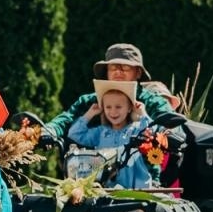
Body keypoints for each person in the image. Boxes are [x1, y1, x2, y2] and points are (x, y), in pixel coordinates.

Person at [42, 42, 175, 145]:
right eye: (113, 67)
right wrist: (49, 130)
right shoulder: (90, 101)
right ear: (107, 72)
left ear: (138, 72)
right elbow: (67, 118)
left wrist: (168, 134)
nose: (118, 71)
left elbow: (171, 124)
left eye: (125, 67)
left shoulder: (152, 101)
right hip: (90, 171)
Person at [65, 79, 159, 189]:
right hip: (106, 189)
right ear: (103, 108)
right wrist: (90, 113)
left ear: (129, 108)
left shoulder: (135, 130)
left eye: (118, 107)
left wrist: (142, 113)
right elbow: (74, 133)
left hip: (134, 189)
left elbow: (152, 131)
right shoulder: (101, 132)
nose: (113, 111)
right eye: (108, 107)